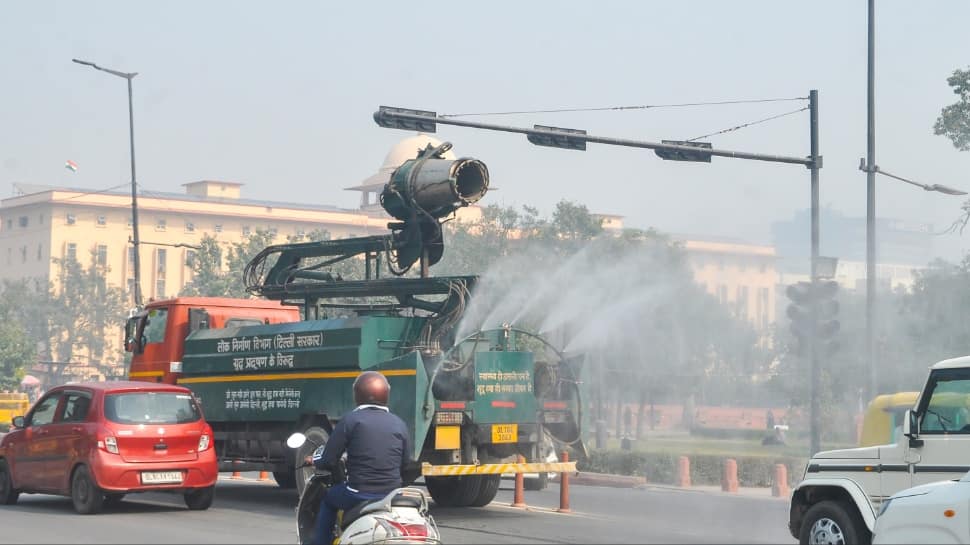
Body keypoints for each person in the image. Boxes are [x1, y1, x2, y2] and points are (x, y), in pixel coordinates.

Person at [306, 371, 411, 545]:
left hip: (359, 493)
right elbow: (405, 463)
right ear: (386, 394)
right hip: (391, 494)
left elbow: (329, 460)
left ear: (358, 394)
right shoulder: (399, 423)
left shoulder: (351, 420)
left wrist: (314, 460)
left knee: (328, 499)